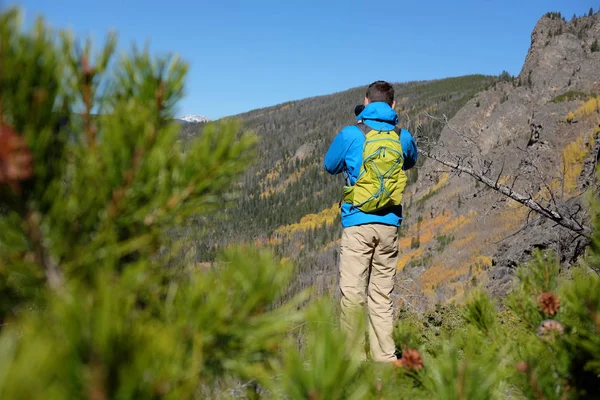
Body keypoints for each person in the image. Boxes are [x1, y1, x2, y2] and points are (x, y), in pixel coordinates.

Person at [324, 81, 418, 363]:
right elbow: (410, 161)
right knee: (382, 295)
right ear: (393, 106)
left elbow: (330, 165)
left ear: (365, 102)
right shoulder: (402, 136)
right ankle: (385, 359)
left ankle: (353, 360)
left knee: (352, 295)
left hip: (357, 225)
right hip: (389, 225)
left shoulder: (353, 134)